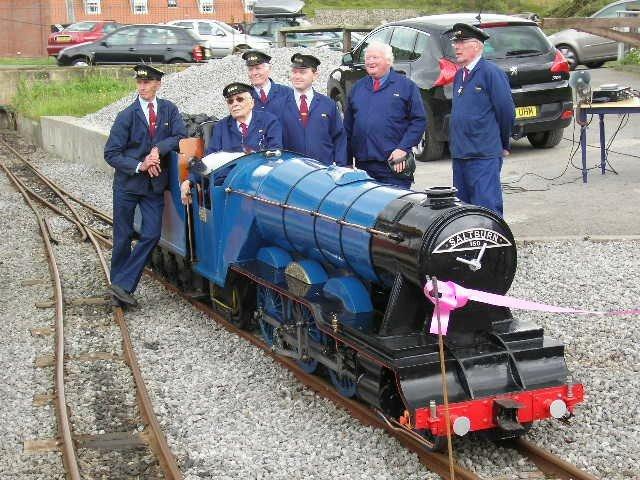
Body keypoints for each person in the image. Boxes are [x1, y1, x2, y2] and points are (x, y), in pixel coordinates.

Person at [105, 64, 186, 307]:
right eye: (139, 82)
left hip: (154, 188)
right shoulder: (126, 116)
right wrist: (141, 164)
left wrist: (156, 151)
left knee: (151, 234)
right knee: (122, 237)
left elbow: (180, 136)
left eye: (147, 82)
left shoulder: (169, 110)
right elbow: (111, 153)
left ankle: (120, 285)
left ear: (157, 84)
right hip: (128, 186)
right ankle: (120, 290)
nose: (142, 87)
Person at [448, 23, 515, 217]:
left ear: (477, 46)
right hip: (461, 153)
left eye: (461, 42)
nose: (456, 47)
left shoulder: (491, 73)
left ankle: (494, 247)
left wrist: (502, 142)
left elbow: (506, 111)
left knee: (486, 208)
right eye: (455, 42)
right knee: (463, 210)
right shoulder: (460, 74)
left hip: (483, 153)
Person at [343, 41, 426, 189]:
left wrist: (403, 148)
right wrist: (347, 162)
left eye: (375, 57)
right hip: (364, 166)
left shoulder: (406, 86)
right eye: (367, 58)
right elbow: (348, 127)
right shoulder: (358, 88)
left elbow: (418, 121)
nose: (370, 61)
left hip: (394, 164)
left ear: (389, 61)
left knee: (394, 210)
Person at [180, 82, 282, 202]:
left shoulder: (269, 121)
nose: (235, 104)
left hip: (259, 183)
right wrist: (189, 181)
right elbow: (209, 160)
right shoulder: (221, 127)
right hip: (228, 185)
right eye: (230, 101)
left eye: (240, 99)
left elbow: (276, 155)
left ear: (252, 102)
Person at [278, 53, 347, 166]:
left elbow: (339, 137)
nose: (297, 76)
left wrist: (340, 166)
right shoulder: (279, 105)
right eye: (294, 72)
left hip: (323, 170)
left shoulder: (328, 104)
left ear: (315, 75)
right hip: (291, 173)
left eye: (303, 72)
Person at [242, 50, 292, 116]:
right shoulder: (242, 96)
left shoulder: (286, 93)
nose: (254, 73)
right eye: (250, 69)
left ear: (269, 69)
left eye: (258, 68)